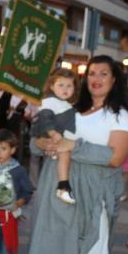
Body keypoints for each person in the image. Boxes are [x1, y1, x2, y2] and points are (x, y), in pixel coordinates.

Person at [27, 55, 128, 254]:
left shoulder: (120, 115)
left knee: (90, 253)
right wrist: (43, 142)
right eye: (91, 73)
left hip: (92, 192)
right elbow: (36, 140)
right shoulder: (72, 109)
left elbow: (116, 158)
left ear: (114, 80)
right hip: (56, 189)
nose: (96, 78)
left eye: (103, 73)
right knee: (54, 244)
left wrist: (73, 146)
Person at [31, 68, 79, 205]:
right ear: (52, 86)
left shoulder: (65, 103)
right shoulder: (50, 101)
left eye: (69, 85)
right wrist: (52, 133)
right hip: (55, 137)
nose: (65, 89)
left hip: (61, 138)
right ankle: (63, 186)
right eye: (61, 85)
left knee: (65, 156)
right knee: (64, 156)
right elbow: (45, 117)